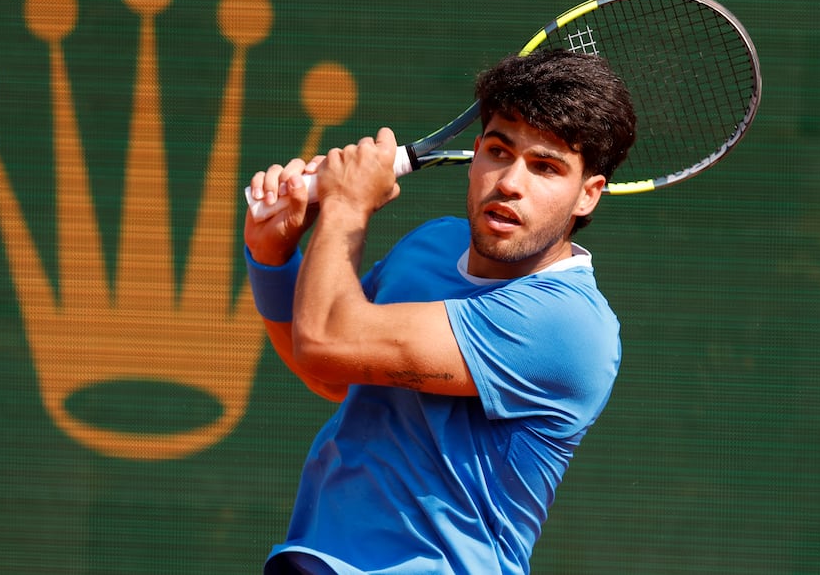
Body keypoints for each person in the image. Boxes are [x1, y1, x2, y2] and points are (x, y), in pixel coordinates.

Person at [244, 48, 637, 575]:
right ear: (475, 155)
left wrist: (346, 204)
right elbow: (331, 372)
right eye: (499, 151)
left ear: (587, 195)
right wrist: (272, 254)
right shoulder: (429, 244)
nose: (510, 182)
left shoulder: (568, 324)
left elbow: (326, 342)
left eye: (545, 167)